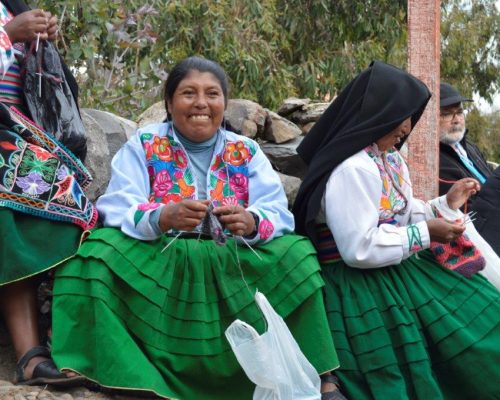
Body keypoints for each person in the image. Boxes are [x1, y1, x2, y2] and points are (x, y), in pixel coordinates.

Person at [50, 56, 344, 400]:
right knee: (93, 255)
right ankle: (128, 375)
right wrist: (162, 216)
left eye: (212, 94)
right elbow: (117, 204)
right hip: (164, 255)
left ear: (224, 102)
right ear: (169, 103)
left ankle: (324, 378)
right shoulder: (145, 143)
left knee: (299, 255)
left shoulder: (245, 150)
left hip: (232, 257)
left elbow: (277, 211)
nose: (201, 103)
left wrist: (251, 221)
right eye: (188, 93)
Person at [293, 61, 500, 399]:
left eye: (410, 116)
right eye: (402, 115)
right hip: (361, 285)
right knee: (408, 363)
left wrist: (443, 203)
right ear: (377, 112)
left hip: (397, 268)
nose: (407, 125)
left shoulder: (388, 159)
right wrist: (425, 234)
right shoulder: (352, 168)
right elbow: (358, 247)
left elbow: (400, 211)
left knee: (480, 315)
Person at [0, 0, 92, 387]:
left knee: (75, 209)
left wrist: (40, 42)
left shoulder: (11, 4)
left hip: (17, 136)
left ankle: (66, 349)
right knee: (8, 209)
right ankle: (28, 354)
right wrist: (8, 36)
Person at [438, 82, 492, 197]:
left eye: (459, 112)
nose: (456, 120)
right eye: (447, 114)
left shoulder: (470, 146)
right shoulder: (435, 162)